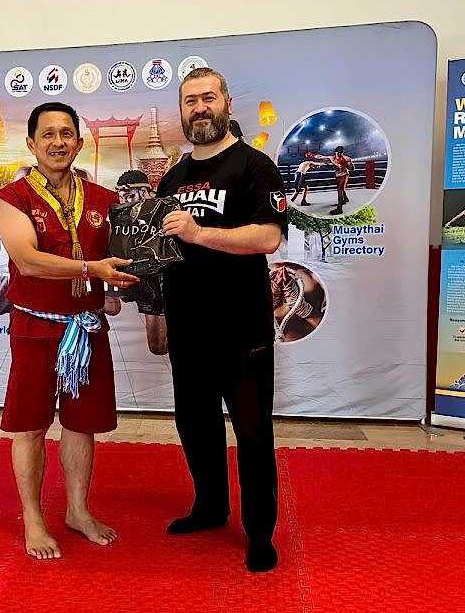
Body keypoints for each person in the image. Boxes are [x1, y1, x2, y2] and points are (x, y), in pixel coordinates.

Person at [0, 102, 139, 560]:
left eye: (66, 133)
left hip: (87, 326)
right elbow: (27, 260)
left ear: (79, 141)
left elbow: (127, 251)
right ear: (31, 143)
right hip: (35, 327)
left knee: (82, 425)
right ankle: (33, 519)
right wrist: (92, 268)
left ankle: (77, 510)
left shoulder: (103, 199)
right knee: (31, 426)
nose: (58, 142)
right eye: (48, 134)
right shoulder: (13, 198)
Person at [156, 67, 287, 573]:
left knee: (252, 431)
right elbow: (161, 248)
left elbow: (268, 237)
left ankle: (260, 533)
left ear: (227, 103)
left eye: (208, 97)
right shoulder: (173, 178)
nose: (199, 108)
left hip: (241, 327)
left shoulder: (254, 166)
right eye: (190, 101)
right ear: (182, 111)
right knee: (195, 424)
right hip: (188, 325)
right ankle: (210, 506)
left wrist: (199, 233)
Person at [114, 169, 168, 354]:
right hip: (138, 279)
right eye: (121, 197)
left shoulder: (164, 211)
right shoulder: (122, 216)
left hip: (161, 280)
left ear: (145, 192)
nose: (125, 201)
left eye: (129, 196)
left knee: (158, 346)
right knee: (157, 346)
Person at [306, 146, 354, 215]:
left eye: (340, 153)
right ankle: (345, 199)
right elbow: (321, 157)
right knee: (342, 188)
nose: (339, 154)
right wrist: (312, 155)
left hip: (344, 174)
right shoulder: (331, 158)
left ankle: (339, 208)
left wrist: (347, 165)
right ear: (335, 152)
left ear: (342, 153)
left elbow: (352, 168)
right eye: (337, 153)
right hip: (338, 175)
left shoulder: (347, 159)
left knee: (340, 190)